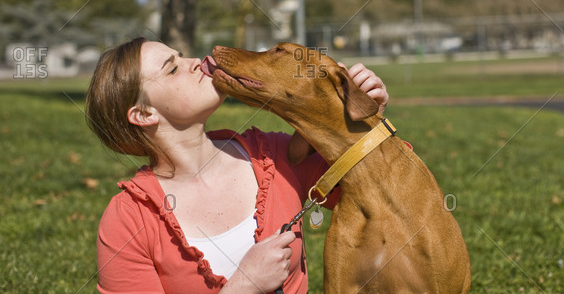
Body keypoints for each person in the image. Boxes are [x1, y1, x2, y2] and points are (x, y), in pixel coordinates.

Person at [85, 37, 389, 294]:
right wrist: (244, 285)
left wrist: (361, 119)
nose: (195, 62)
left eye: (181, 55)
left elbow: (385, 192)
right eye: (173, 68)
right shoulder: (128, 219)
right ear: (144, 114)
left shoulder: (274, 156)